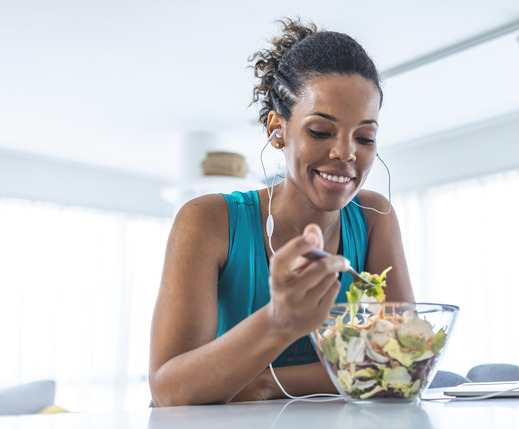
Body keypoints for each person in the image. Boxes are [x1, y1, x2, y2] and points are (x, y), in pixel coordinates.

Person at [149, 18, 414, 407]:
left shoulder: (375, 217)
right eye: (321, 132)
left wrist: (263, 383)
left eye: (365, 137)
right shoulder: (207, 221)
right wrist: (278, 321)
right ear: (278, 130)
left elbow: (402, 362)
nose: (346, 153)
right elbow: (170, 391)